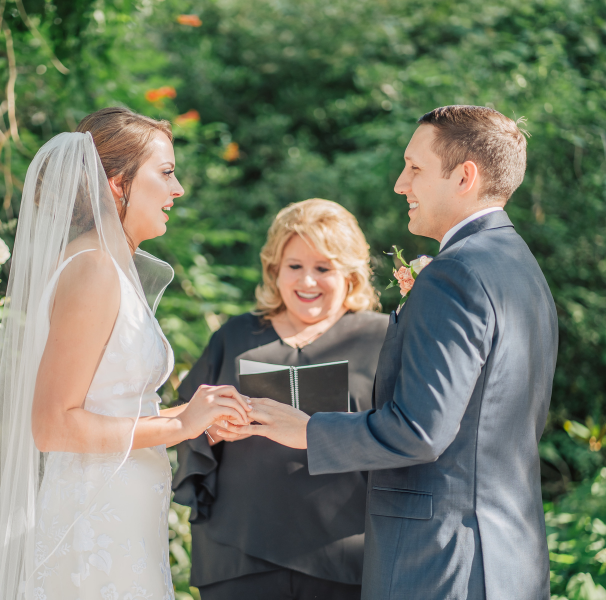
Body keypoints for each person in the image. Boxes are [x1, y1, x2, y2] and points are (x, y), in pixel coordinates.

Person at [232, 106, 558, 600]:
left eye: (415, 168)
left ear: (465, 176)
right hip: (506, 558)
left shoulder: (456, 274)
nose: (400, 184)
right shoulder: (520, 267)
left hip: (440, 561)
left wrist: (307, 430)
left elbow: (421, 431)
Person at [0, 107, 251, 600]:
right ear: (117, 184)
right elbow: (53, 424)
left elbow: (114, 406)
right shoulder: (93, 268)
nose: (177, 190)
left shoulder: (113, 264)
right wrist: (179, 426)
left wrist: (198, 414)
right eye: (166, 173)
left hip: (123, 515)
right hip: (93, 523)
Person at [172, 199, 388, 600]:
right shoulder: (235, 337)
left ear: (351, 274)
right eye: (294, 266)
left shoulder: (382, 339)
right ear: (274, 269)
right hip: (238, 554)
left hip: (347, 557)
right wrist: (211, 430)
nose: (308, 282)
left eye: (323, 268)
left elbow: (406, 434)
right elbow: (185, 425)